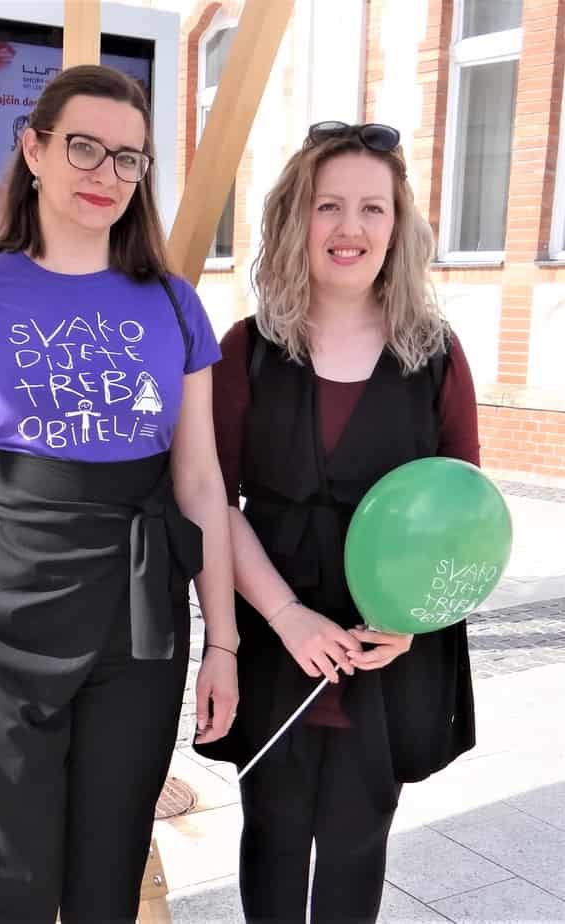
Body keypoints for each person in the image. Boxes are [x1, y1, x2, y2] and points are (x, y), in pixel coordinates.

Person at [0, 65, 239, 922]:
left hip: (136, 624)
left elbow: (200, 483)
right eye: (83, 147)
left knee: (106, 881)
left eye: (127, 158)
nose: (104, 173)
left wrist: (222, 644)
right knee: (4, 888)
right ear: (34, 151)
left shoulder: (175, 306)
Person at [200, 121, 480, 922]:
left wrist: (412, 622)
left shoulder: (435, 355)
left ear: (397, 227)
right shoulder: (245, 351)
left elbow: (463, 512)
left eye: (371, 208)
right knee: (274, 833)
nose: (349, 227)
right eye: (327, 205)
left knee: (359, 838)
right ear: (296, 218)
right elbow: (211, 501)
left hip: (385, 645)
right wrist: (284, 616)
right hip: (274, 630)